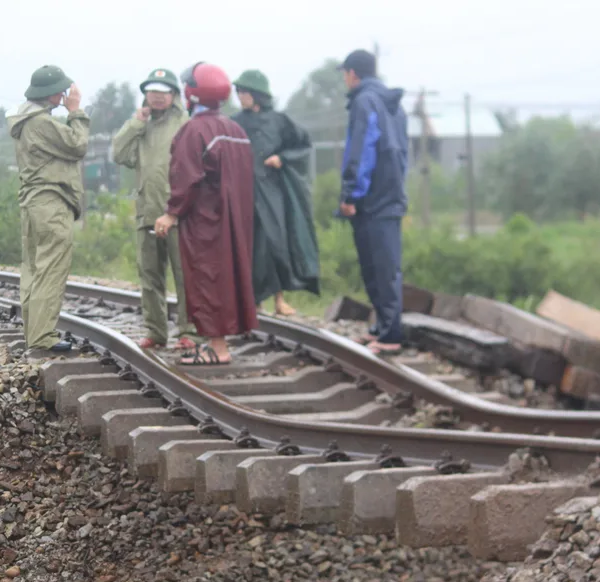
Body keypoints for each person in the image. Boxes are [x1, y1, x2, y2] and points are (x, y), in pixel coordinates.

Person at [154, 62, 257, 366]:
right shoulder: (235, 129)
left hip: (205, 222)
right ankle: (219, 343)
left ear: (191, 93)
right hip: (235, 219)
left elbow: (186, 176)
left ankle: (217, 347)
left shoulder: (195, 130)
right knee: (227, 277)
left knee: (207, 278)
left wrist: (171, 213)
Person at [112, 68, 199, 352]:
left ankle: (189, 330)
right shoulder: (141, 125)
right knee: (149, 276)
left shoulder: (186, 124)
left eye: (163, 92)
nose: (157, 97)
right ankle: (156, 330)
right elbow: (118, 154)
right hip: (147, 211)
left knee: (185, 275)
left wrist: (179, 209)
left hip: (179, 213)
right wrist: (136, 123)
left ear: (173, 95)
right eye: (152, 92)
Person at [7, 65, 89, 355]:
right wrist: (76, 111)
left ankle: (35, 331)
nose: (65, 94)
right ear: (51, 93)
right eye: (61, 91)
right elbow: (78, 145)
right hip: (51, 201)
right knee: (51, 268)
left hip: (33, 201)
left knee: (33, 268)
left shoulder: (26, 120)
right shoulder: (41, 122)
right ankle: (43, 336)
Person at [337, 49, 409, 356]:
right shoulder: (393, 105)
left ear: (353, 74)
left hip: (371, 199)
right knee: (381, 265)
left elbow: (362, 149)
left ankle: (391, 332)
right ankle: (382, 326)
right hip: (389, 194)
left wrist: (351, 193)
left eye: (345, 74)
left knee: (380, 267)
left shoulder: (364, 102)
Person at [232, 69, 320, 316]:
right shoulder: (235, 122)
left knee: (275, 244)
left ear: (258, 94)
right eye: (238, 91)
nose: (240, 96)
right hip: (244, 194)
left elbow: (303, 145)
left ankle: (279, 300)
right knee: (249, 247)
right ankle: (254, 302)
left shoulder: (280, 121)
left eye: (245, 91)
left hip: (273, 193)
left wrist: (282, 158)